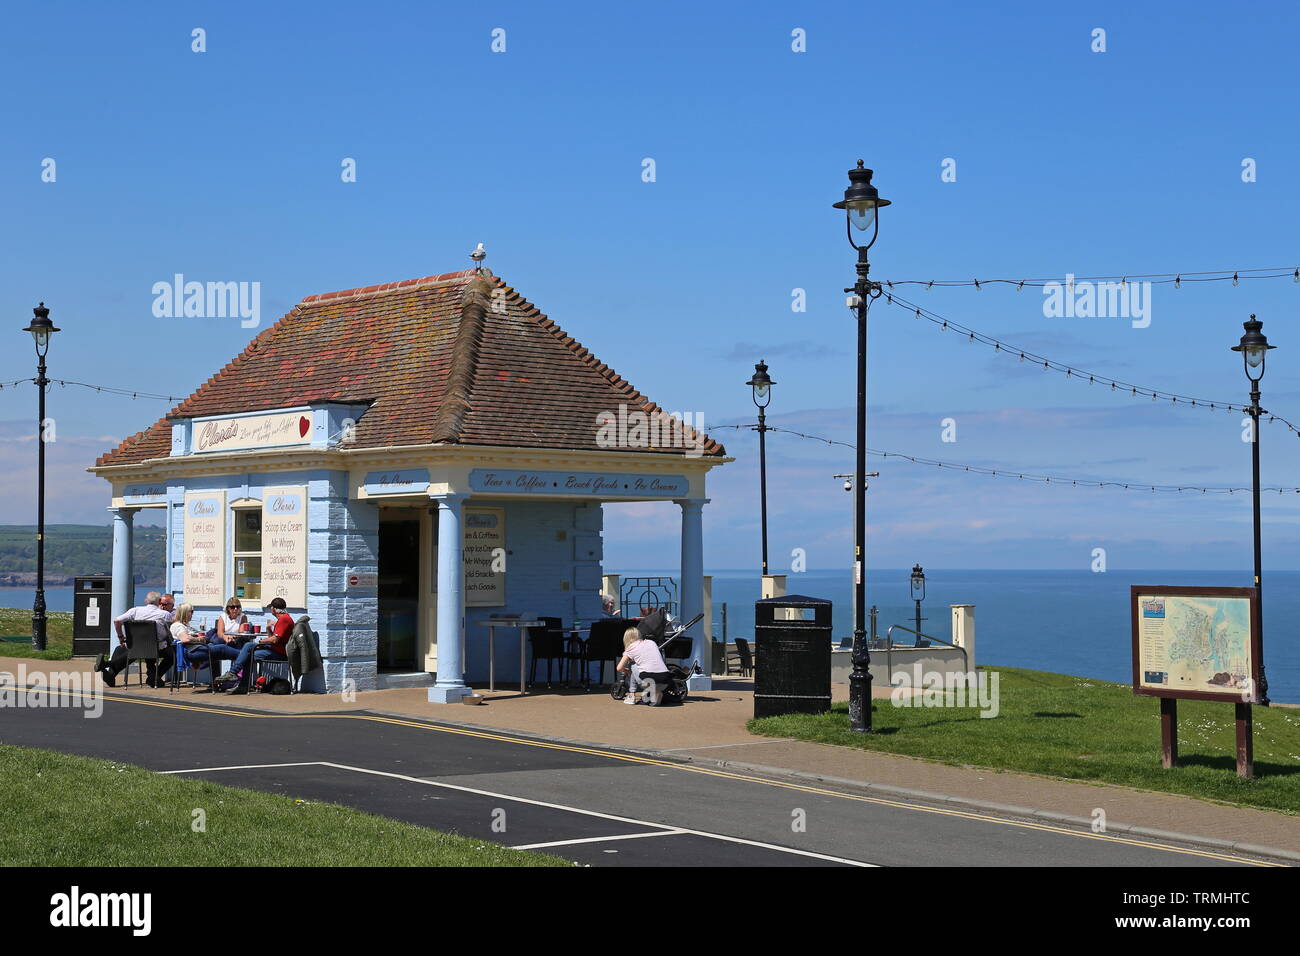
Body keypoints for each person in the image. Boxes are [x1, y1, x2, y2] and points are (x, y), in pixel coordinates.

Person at [95, 592, 175, 687]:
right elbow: (172, 627)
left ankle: (109, 669)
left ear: (146, 601)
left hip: (136, 647)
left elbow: (117, 621)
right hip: (155, 648)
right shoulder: (164, 614)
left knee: (121, 648)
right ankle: (154, 677)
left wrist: (121, 637)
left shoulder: (135, 610)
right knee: (173, 655)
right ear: (159, 602)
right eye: (161, 603)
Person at [216, 597, 293, 694]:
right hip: (274, 649)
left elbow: (274, 640)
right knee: (249, 646)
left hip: (279, 653)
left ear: (273, 609)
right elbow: (274, 637)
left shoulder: (284, 620)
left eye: (271, 608)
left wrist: (262, 641)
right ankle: (237, 678)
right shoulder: (283, 619)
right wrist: (269, 628)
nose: (270, 610)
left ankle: (238, 679)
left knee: (248, 654)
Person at [187, 597, 249, 683]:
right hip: (223, 641)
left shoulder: (243, 617)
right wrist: (225, 637)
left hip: (235, 643)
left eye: (238, 607)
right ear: (228, 608)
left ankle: (200, 661)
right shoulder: (223, 617)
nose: (235, 609)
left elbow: (241, 632)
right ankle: (215, 681)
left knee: (212, 649)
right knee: (214, 650)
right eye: (232, 607)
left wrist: (232, 637)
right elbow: (220, 633)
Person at [615, 625, 670, 706]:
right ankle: (656, 693)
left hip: (649, 682)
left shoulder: (630, 648)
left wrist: (627, 671)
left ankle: (631, 695)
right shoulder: (651, 642)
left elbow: (619, 668)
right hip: (665, 680)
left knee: (632, 664)